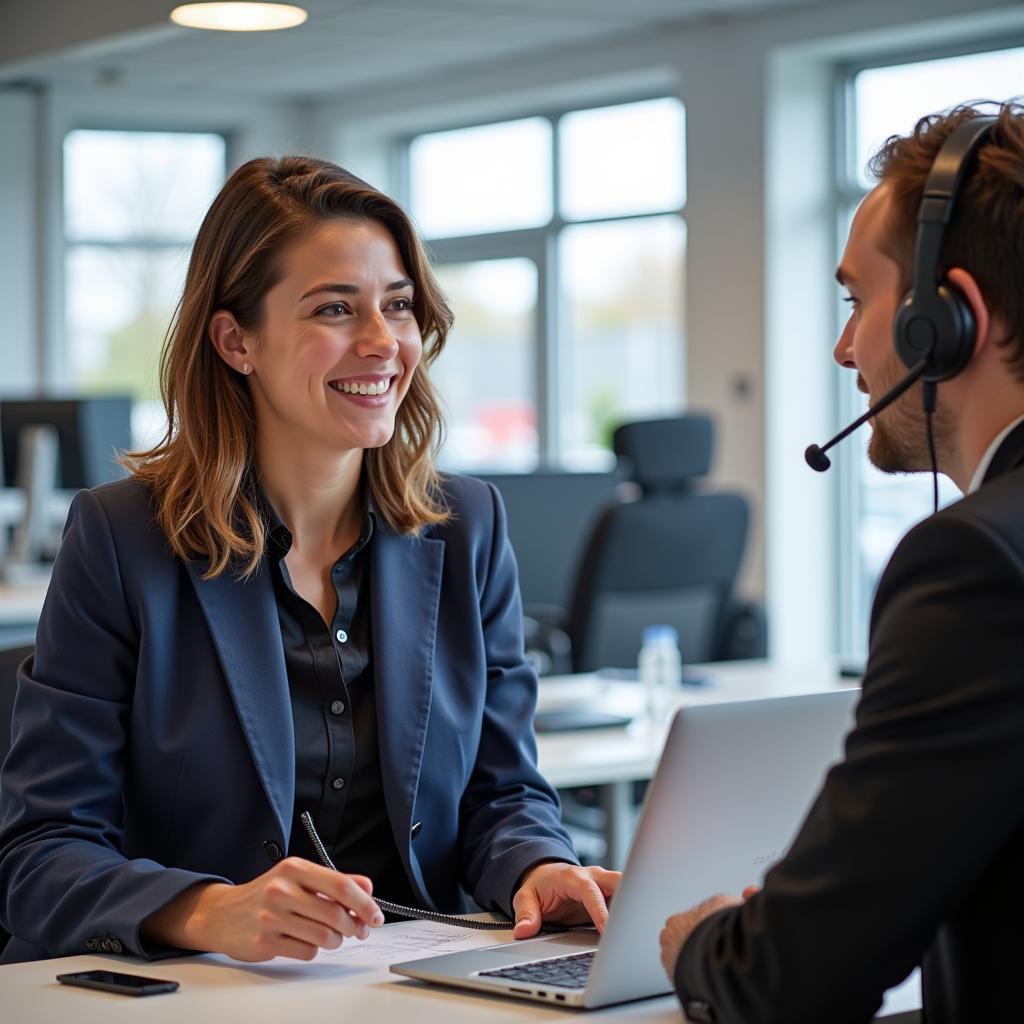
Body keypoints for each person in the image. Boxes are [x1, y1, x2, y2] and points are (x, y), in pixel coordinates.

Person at [0, 156, 619, 964]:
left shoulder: (466, 526)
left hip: (414, 980)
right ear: (235, 340)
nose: (382, 343)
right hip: (194, 990)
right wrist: (205, 910)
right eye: (334, 308)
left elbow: (502, 793)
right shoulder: (121, 538)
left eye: (397, 306)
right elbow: (40, 853)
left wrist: (540, 866)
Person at [660, 100, 1024, 1023]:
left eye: (857, 301)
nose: (841, 347)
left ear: (944, 323)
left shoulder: (972, 562)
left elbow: (791, 984)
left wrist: (702, 942)